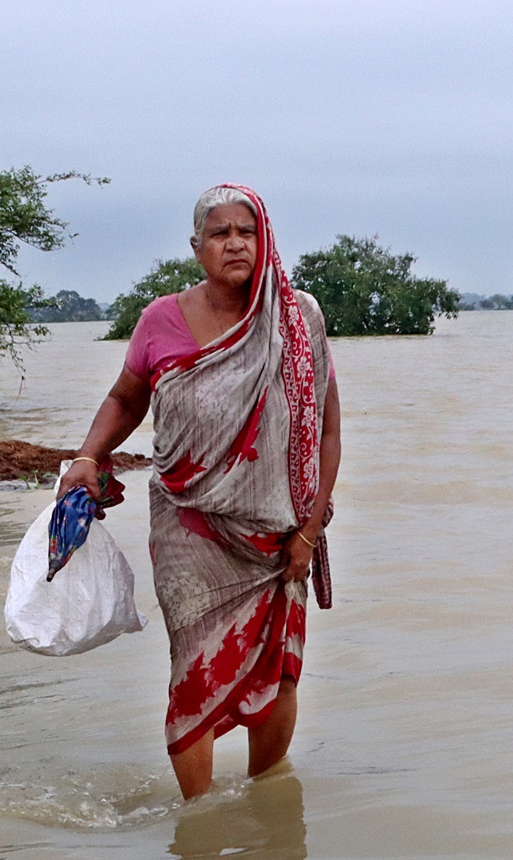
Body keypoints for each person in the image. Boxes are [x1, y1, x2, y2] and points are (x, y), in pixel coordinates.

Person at [58, 185, 342, 801]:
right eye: (220, 233)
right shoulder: (160, 319)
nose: (235, 242)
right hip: (188, 526)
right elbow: (126, 398)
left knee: (280, 675)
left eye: (247, 230)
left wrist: (310, 532)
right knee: (193, 672)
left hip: (279, 534)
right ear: (196, 248)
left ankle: (268, 804)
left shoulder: (299, 318)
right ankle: (200, 821)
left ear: (264, 239)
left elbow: (326, 429)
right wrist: (88, 456)